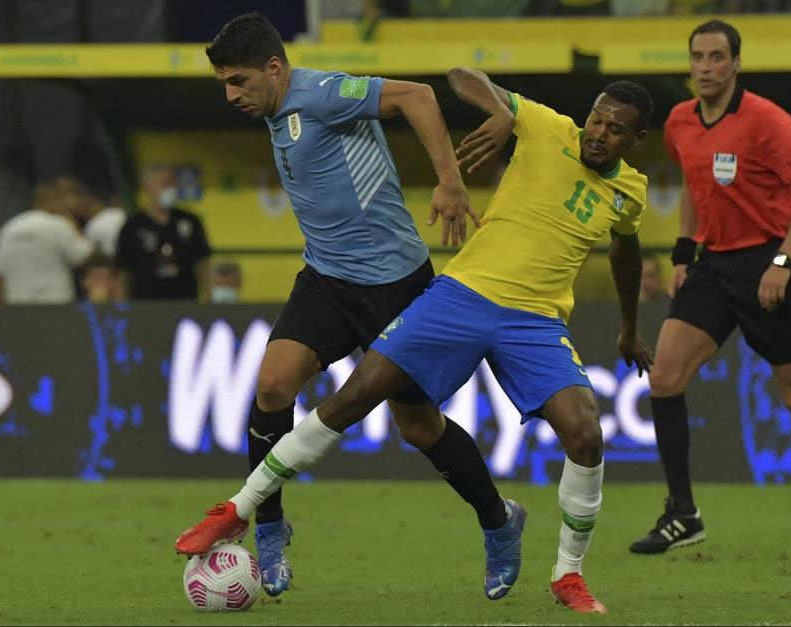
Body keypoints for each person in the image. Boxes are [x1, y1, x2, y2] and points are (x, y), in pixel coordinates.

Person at [177, 61, 655, 612]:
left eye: (615, 129)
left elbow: (626, 249)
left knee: (585, 434)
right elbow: (461, 76)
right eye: (596, 120)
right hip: (460, 297)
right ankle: (239, 509)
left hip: (535, 321)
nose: (598, 133)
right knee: (354, 396)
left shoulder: (630, 193)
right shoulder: (548, 126)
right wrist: (502, 111)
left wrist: (628, 329)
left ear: (637, 139)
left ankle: (567, 574)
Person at [175, 12, 527, 603]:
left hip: (396, 285)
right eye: (223, 85)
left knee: (417, 426)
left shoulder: (322, 93)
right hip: (326, 280)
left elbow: (417, 94)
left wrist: (449, 181)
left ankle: (498, 521)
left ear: (274, 68)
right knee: (271, 387)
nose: (231, 95)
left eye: (238, 81)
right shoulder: (272, 106)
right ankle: (268, 529)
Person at [629, 19, 791, 555]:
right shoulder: (679, 122)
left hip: (767, 264)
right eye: (698, 57)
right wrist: (683, 253)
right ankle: (683, 515)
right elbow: (698, 186)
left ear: (736, 64)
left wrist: (783, 261)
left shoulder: (766, 119)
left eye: (718, 58)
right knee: (664, 377)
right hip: (713, 268)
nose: (707, 68)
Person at [115, 165, 212, 300]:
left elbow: (202, 264)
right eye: (165, 184)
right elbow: (123, 270)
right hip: (146, 304)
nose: (171, 189)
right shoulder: (133, 225)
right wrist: (123, 305)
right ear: (147, 188)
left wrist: (209, 298)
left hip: (185, 300)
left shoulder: (190, 221)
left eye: (173, 184)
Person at [0, 180, 95, 304]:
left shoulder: (9, 228)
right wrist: (73, 223)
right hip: (55, 306)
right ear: (52, 200)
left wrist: (2, 309)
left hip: (18, 308)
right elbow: (84, 257)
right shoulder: (58, 225)